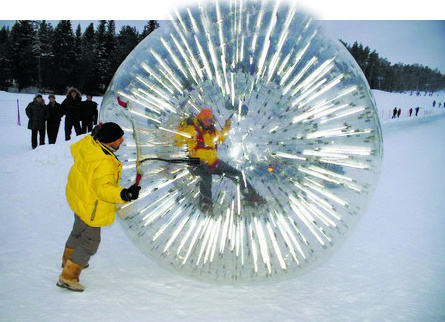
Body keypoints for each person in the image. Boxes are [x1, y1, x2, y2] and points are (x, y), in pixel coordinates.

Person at [57, 122, 141, 292]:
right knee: (90, 242)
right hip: (92, 205)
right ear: (109, 141)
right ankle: (68, 277)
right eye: (119, 139)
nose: (122, 140)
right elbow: (103, 189)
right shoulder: (104, 163)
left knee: (78, 231)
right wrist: (124, 194)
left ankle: (68, 260)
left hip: (80, 198)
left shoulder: (89, 144)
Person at [174, 108, 264, 213]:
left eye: (210, 120)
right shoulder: (191, 130)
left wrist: (227, 127)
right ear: (200, 120)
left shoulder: (212, 131)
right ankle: (206, 202)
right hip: (197, 163)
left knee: (237, 174)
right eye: (206, 120)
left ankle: (251, 196)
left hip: (213, 162)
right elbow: (177, 141)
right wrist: (182, 126)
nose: (208, 123)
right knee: (206, 177)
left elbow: (221, 138)